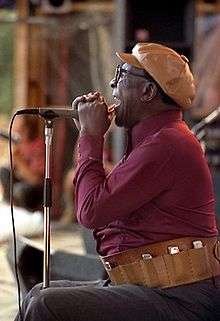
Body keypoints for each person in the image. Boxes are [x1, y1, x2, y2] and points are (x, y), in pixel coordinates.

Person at [15, 43, 220, 321]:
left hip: (178, 297)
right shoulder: (154, 140)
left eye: (122, 75)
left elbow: (90, 211)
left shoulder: (168, 143)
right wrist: (89, 136)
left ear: (148, 91)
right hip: (148, 286)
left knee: (44, 304)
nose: (112, 82)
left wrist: (91, 136)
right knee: (37, 293)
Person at [0, 115, 45, 212]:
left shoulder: (38, 145)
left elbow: (36, 180)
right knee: (3, 171)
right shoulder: (18, 145)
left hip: (34, 189)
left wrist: (19, 161)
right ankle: (11, 208)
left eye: (20, 128)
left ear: (28, 129)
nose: (15, 130)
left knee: (19, 190)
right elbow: (11, 171)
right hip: (20, 182)